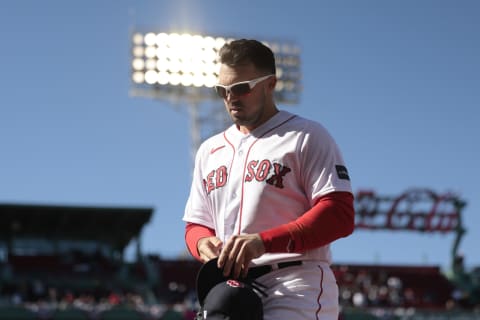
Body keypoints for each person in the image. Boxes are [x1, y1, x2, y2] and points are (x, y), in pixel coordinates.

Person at [183, 39, 355, 320]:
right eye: (222, 90)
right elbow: (196, 224)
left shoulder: (305, 135)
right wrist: (203, 243)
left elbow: (339, 213)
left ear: (270, 84)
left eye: (241, 88)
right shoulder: (209, 150)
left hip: (293, 283)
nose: (231, 98)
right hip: (227, 287)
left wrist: (264, 241)